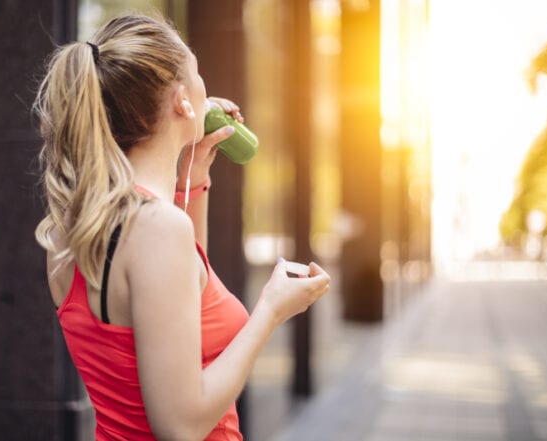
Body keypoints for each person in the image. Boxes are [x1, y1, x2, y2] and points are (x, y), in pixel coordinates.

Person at [33, 14, 330, 441]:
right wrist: (272, 310)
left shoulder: (71, 228)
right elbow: (180, 424)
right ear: (183, 102)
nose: (206, 87)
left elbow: (184, 304)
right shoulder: (156, 228)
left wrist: (193, 182)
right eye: (197, 74)